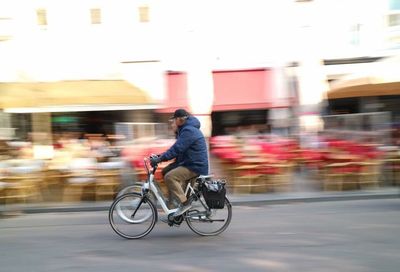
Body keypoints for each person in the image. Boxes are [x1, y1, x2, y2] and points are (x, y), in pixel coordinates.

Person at [150, 109, 209, 216]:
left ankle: (184, 204)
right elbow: (177, 150)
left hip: (194, 165)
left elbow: (177, 149)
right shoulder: (185, 129)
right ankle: (175, 205)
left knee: (170, 177)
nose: (173, 123)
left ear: (179, 119)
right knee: (167, 171)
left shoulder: (188, 131)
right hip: (190, 163)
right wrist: (160, 157)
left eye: (174, 120)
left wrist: (160, 159)